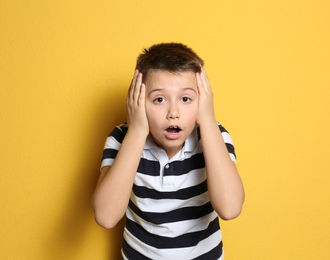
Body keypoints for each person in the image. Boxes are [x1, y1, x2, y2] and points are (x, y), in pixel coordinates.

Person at [92, 43, 245, 260]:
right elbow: (106, 216)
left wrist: (208, 120)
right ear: (138, 102)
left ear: (202, 101)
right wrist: (136, 131)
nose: (173, 113)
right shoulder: (122, 139)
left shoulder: (214, 136)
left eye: (185, 99)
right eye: (159, 99)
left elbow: (230, 209)